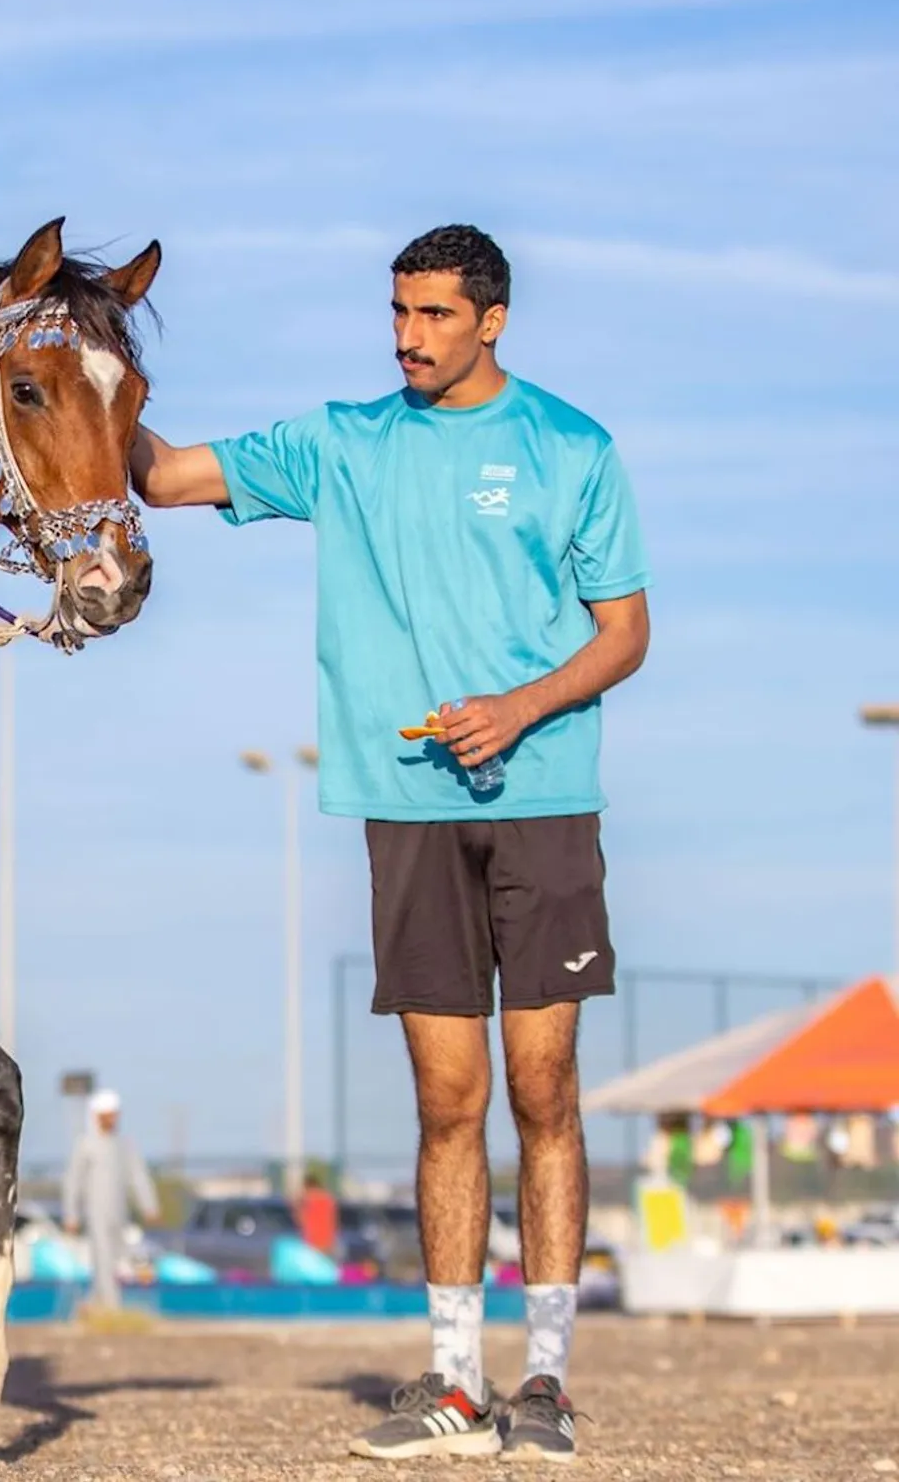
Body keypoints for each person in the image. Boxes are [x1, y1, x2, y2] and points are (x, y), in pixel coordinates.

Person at [132, 225, 648, 1462]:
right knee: (447, 1099)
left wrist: (518, 706)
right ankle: (456, 1380)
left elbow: (624, 631)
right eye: (398, 311)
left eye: (433, 314)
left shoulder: (572, 447)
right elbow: (163, 477)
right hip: (406, 807)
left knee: (545, 1091)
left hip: (542, 802)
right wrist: (88, 371)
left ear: (493, 318)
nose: (408, 335)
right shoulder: (342, 442)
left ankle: (547, 1384)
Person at [61, 1089, 158, 1311]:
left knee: (119, 1258)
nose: (112, 1119)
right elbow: (73, 1182)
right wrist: (71, 1214)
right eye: (108, 1115)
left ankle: (95, 1303)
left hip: (119, 1211)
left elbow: (138, 1175)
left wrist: (149, 1205)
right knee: (102, 1258)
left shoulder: (124, 1144)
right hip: (96, 1212)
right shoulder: (85, 1144)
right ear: (97, 1116)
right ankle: (112, 1308)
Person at [296, 1171, 339, 1259]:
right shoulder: (328, 1197)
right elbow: (334, 1220)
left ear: (307, 1185)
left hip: (313, 1242)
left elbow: (302, 1220)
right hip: (328, 1242)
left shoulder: (307, 1199)